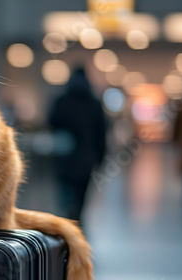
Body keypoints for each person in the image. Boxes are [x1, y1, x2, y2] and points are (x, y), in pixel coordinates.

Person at [48, 66, 106, 223]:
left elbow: (52, 122)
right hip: (86, 157)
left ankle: (68, 213)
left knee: (66, 188)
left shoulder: (62, 101)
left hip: (65, 155)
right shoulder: (94, 104)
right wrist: (100, 158)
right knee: (82, 191)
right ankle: (77, 216)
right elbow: (101, 133)